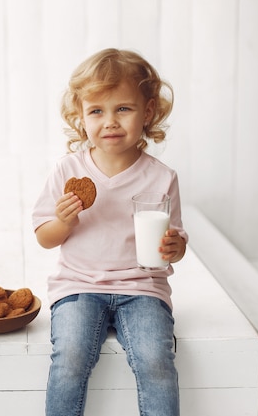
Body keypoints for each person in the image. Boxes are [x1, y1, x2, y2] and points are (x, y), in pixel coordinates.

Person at [32, 48, 188, 416]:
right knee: (69, 357)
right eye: (97, 111)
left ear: (147, 112)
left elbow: (176, 241)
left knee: (156, 361)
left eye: (124, 109)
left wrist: (175, 246)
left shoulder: (162, 177)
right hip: (79, 286)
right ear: (80, 117)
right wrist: (64, 221)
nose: (110, 121)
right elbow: (44, 236)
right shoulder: (68, 170)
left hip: (142, 288)